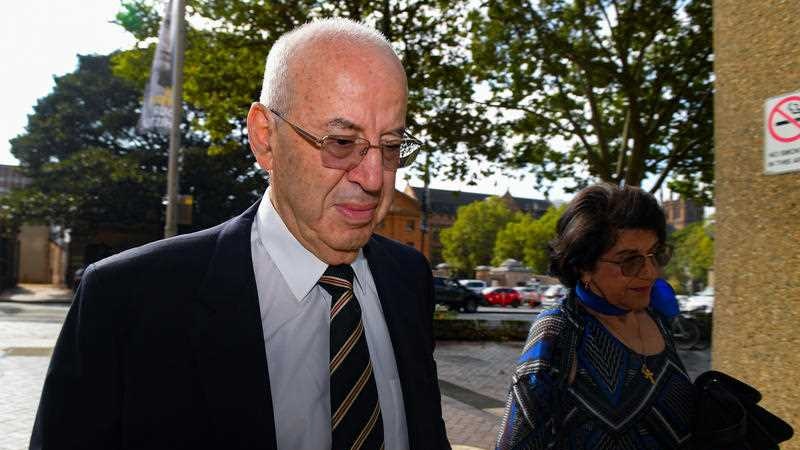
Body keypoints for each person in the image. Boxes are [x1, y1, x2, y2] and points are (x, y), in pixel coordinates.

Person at [31, 18, 450, 450]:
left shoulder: (408, 277)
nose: (375, 177)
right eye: (342, 142)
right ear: (265, 137)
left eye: (392, 145)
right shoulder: (127, 299)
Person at [496, 184, 695, 449]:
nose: (650, 272)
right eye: (629, 260)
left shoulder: (657, 314)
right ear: (584, 266)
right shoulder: (558, 332)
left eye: (654, 254)